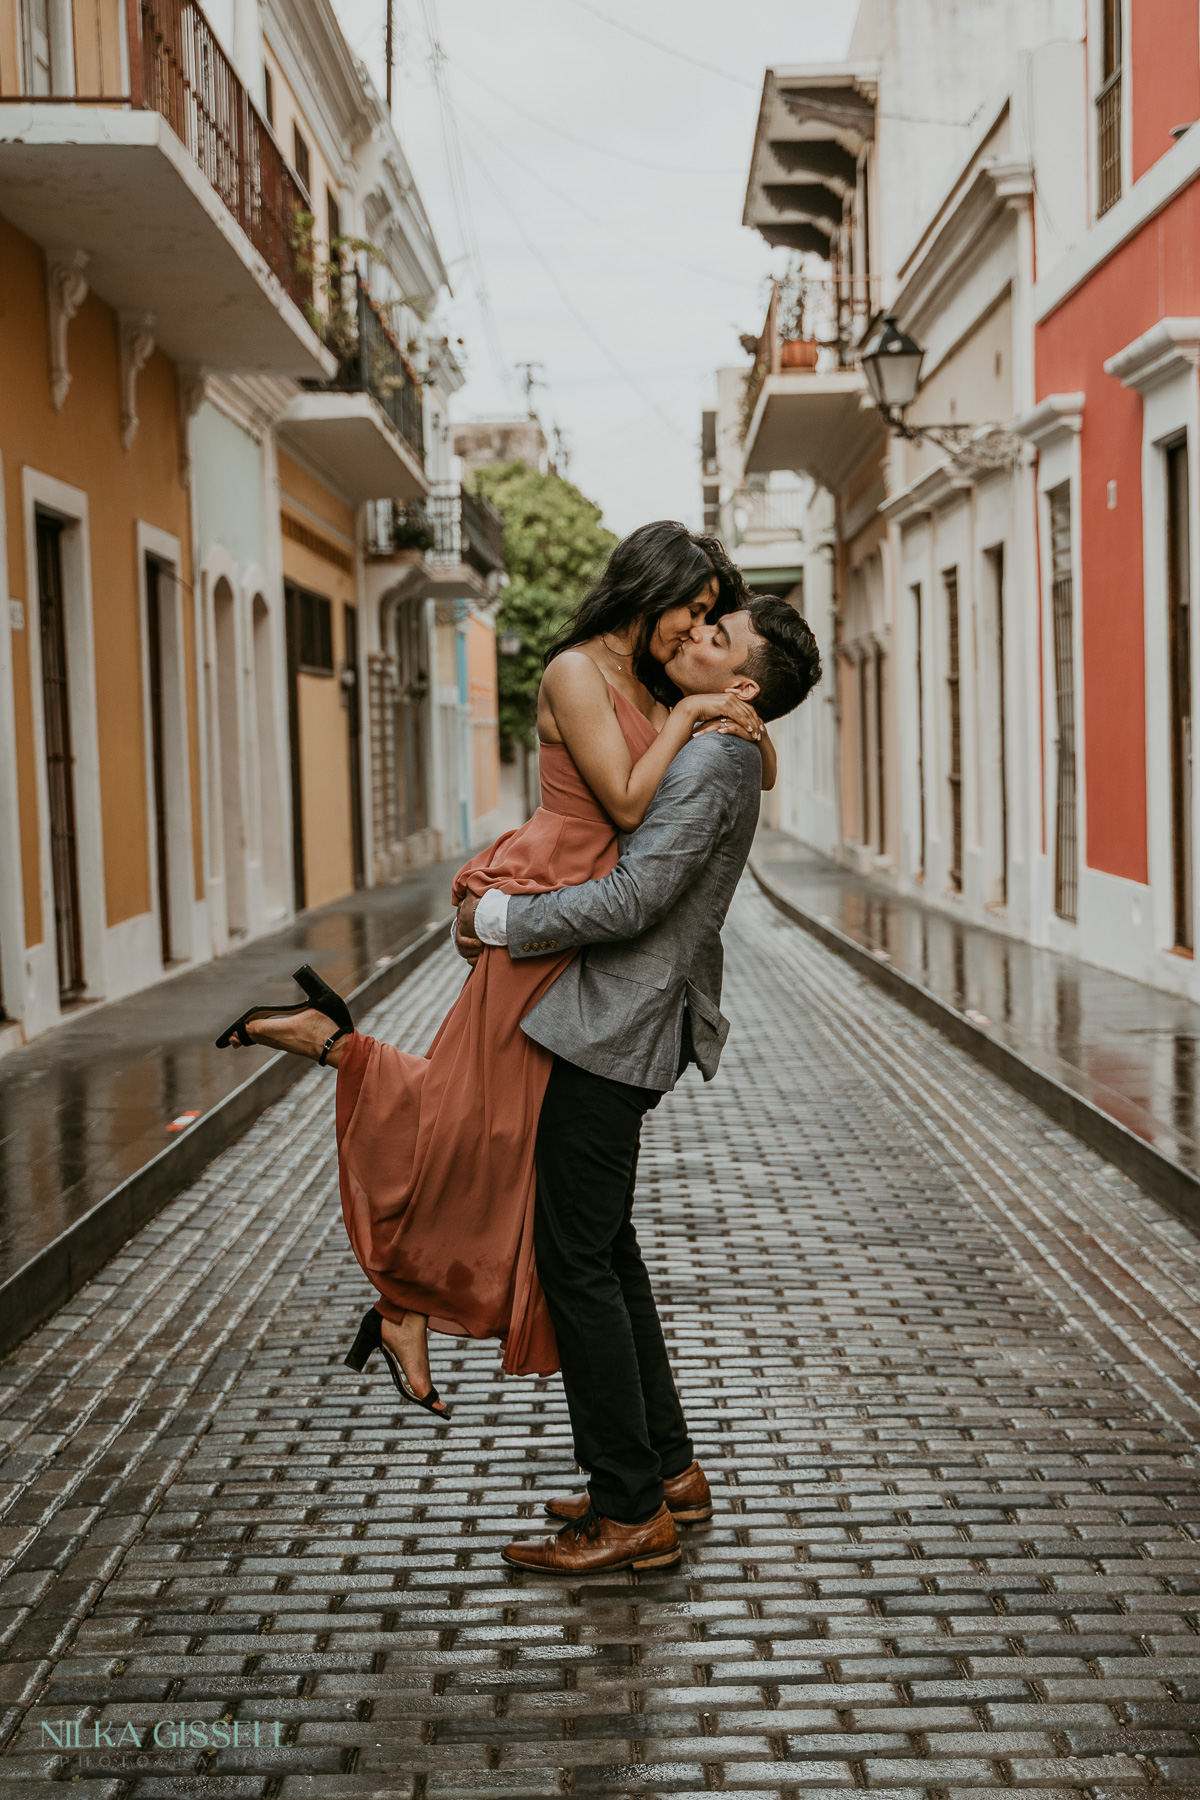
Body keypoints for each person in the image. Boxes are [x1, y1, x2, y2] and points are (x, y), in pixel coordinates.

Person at [217, 523, 771, 1414]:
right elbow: (629, 799)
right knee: (474, 1124)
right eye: (689, 608)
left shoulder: (651, 677)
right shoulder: (576, 672)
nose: (691, 629)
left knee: (495, 1137)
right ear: (648, 585)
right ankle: (400, 1292)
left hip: (582, 924)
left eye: (710, 617)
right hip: (553, 906)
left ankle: (400, 1288)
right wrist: (691, 714)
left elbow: (725, 760)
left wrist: (723, 711)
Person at [455, 600, 821, 1574]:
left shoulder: (711, 760)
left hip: (613, 1029)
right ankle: (665, 1473)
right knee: (604, 1250)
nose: (692, 639)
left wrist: (498, 920)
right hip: (623, 1023)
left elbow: (635, 898)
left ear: (744, 683)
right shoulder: (721, 744)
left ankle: (627, 1512)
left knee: (574, 1261)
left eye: (717, 637)